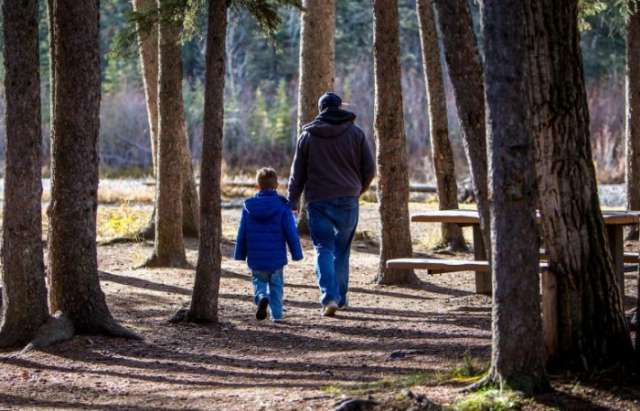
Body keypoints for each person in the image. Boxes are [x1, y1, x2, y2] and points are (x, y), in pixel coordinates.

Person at [288, 92, 375, 317]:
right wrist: (358, 189)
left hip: (318, 200)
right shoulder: (356, 134)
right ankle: (341, 298)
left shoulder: (307, 136)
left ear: (320, 109)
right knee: (342, 250)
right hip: (348, 199)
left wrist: (293, 200)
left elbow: (297, 173)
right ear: (339, 107)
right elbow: (369, 169)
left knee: (323, 248)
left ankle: (329, 297)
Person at [234, 167, 303, 322]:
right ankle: (277, 316)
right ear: (276, 185)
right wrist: (296, 253)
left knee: (259, 281)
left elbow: (242, 231)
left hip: (256, 256)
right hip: (276, 257)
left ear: (258, 185)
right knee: (276, 286)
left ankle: (261, 297)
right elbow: (291, 232)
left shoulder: (249, 207)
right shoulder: (283, 207)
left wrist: (240, 253)